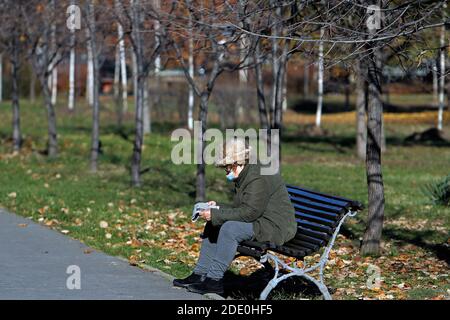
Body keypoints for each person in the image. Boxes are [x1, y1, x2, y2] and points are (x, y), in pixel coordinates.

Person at [173, 137, 297, 295]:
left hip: (275, 226)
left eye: (228, 167)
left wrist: (217, 214)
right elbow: (243, 208)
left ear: (238, 162)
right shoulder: (245, 172)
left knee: (230, 228)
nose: (226, 171)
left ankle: (214, 281)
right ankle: (200, 274)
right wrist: (217, 207)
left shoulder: (257, 176)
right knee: (214, 223)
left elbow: (249, 213)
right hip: (260, 219)